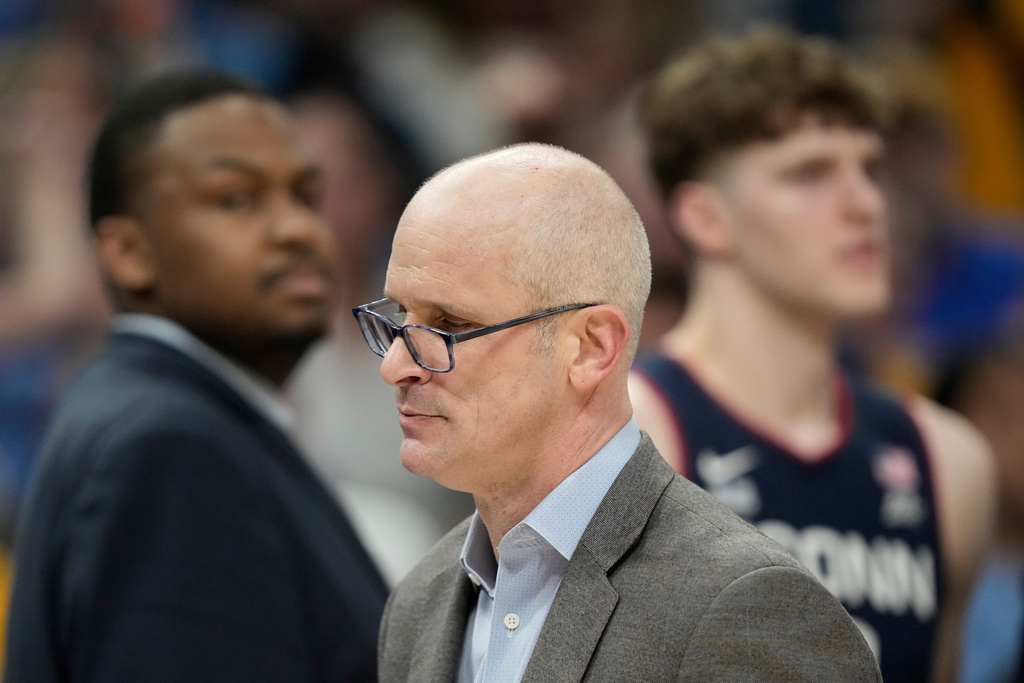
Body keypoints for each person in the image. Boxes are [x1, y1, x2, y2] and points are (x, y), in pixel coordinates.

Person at [361, 142, 881, 681]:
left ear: (591, 348)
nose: (396, 364)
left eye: (449, 325)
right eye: (401, 317)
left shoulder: (750, 607)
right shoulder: (419, 600)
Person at [629, 29, 996, 683]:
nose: (866, 204)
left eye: (870, 169)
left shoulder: (948, 461)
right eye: (810, 173)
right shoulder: (630, 434)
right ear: (705, 217)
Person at [3, 70, 387, 682]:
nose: (298, 229)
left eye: (306, 196)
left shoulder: (167, 416)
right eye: (238, 198)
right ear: (129, 253)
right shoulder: (168, 447)